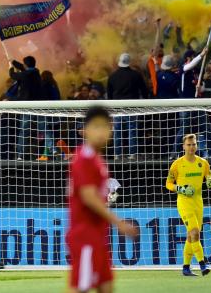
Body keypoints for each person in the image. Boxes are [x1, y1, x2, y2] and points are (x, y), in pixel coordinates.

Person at [66, 107, 138, 293]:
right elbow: (89, 198)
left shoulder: (97, 159)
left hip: (97, 236)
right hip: (85, 236)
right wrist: (118, 222)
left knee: (106, 287)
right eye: (96, 126)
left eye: (105, 126)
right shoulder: (84, 158)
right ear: (84, 130)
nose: (101, 131)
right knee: (80, 288)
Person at [165, 134, 211, 277]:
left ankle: (186, 268)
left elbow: (210, 177)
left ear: (197, 146)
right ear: (183, 146)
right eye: (189, 145)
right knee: (195, 233)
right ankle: (202, 264)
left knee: (191, 236)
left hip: (198, 203)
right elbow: (168, 184)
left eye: (194, 144)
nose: (191, 147)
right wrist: (181, 189)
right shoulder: (177, 164)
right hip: (184, 202)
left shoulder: (203, 163)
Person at [107, 53, 148, 160]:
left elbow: (109, 94)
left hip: (117, 107)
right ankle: (133, 154)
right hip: (131, 106)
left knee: (118, 131)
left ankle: (117, 154)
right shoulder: (136, 75)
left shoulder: (112, 76)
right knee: (132, 130)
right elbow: (144, 90)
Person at [10, 56, 43, 159]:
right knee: (44, 128)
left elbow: (13, 75)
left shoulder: (25, 75)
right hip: (39, 106)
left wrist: (10, 68)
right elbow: (24, 68)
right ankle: (51, 149)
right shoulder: (36, 72)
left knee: (24, 130)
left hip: (27, 106)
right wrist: (14, 61)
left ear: (25, 65)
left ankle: (20, 154)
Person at [146, 18, 164, 97]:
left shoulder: (162, 59)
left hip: (163, 89)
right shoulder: (152, 59)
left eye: (160, 49)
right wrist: (158, 28)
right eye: (155, 50)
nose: (158, 50)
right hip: (157, 90)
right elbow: (157, 43)